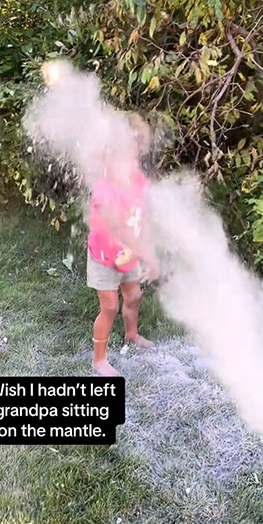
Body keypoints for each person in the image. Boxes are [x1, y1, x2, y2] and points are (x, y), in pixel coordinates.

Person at [85, 111, 160, 376]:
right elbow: (119, 228)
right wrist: (147, 255)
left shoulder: (138, 182)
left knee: (134, 295)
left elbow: (144, 218)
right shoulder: (104, 191)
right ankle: (99, 360)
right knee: (110, 306)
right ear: (106, 161)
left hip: (129, 254)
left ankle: (132, 335)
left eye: (130, 156)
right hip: (104, 257)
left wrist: (146, 248)